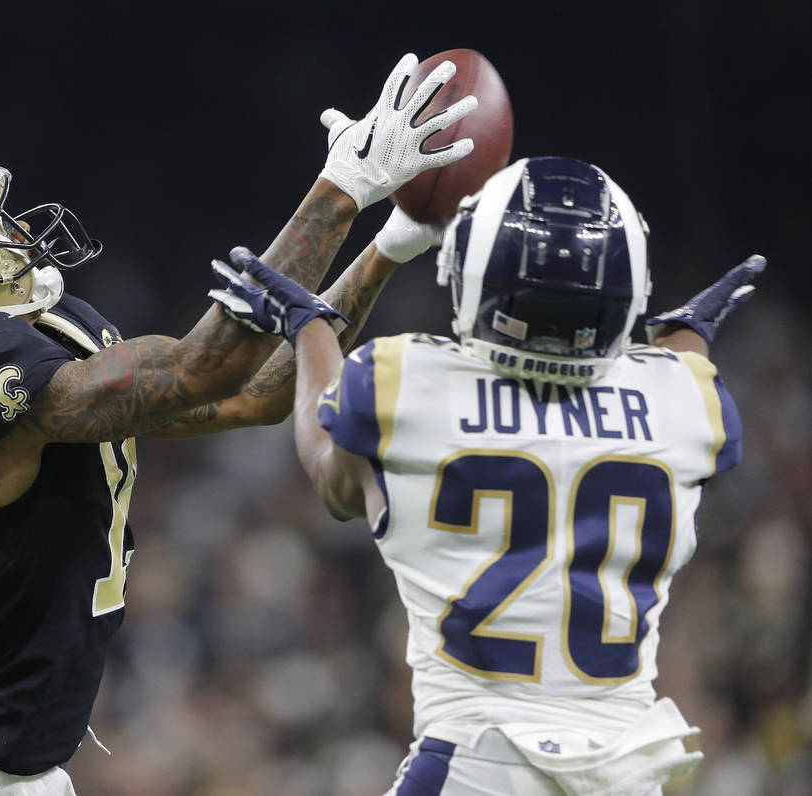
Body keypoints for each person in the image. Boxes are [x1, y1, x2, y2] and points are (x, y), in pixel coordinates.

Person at [0, 53, 479, 795]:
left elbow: (253, 396)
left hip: (14, 753)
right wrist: (338, 193)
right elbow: (205, 368)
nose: (14, 230)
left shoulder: (44, 332)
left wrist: (386, 247)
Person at [209, 155, 765, 795]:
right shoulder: (684, 394)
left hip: (474, 765)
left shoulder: (403, 382)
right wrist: (687, 337)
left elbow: (332, 480)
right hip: (626, 770)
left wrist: (309, 328)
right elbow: (628, 407)